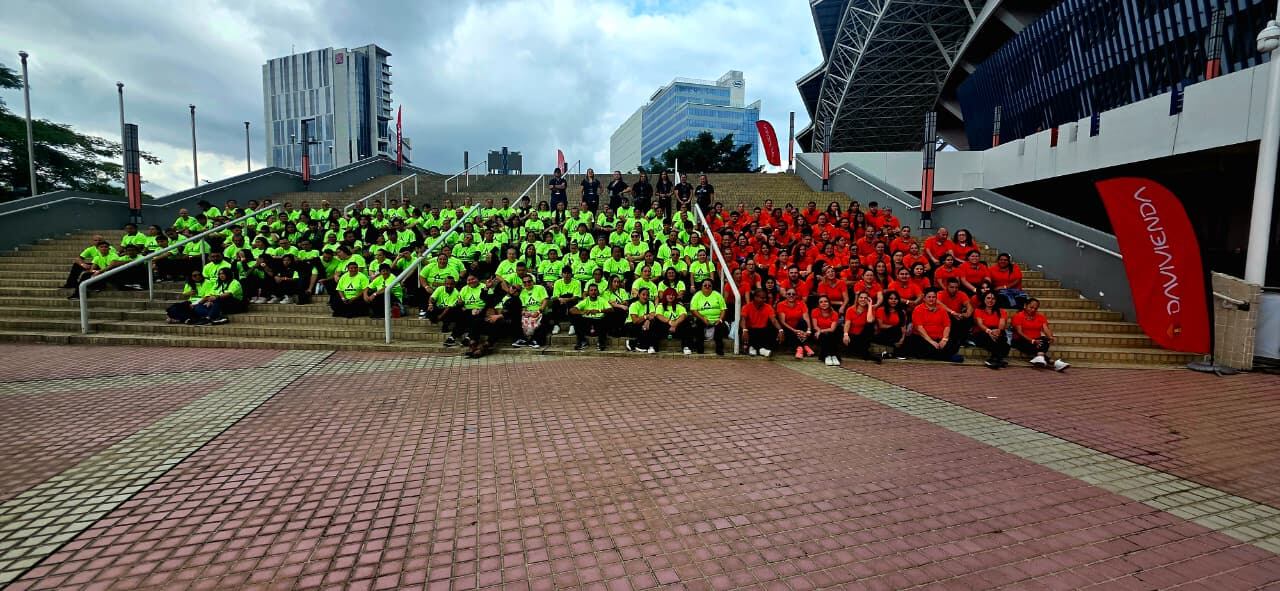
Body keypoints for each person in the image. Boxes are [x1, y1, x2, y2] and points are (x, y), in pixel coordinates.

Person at [1011, 298, 1070, 371]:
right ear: (1025, 306)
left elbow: (1046, 329)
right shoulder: (1018, 316)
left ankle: (1040, 357)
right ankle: (1053, 363)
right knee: (1035, 345)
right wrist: (1032, 341)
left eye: (1035, 308)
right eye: (1031, 307)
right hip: (1020, 340)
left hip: (1036, 340)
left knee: (1045, 340)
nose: (1033, 310)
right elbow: (1019, 332)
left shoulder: (1040, 317)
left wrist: (1050, 337)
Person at [907, 288, 964, 362]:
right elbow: (919, 328)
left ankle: (941, 355)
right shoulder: (918, 309)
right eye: (929, 297)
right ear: (924, 298)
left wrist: (944, 340)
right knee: (927, 347)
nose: (931, 299)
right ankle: (948, 357)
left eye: (933, 297)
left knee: (952, 343)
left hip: (939, 338)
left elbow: (947, 326)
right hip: (924, 338)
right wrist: (931, 341)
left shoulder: (942, 309)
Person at [688, 279, 729, 355]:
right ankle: (699, 349)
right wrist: (702, 318)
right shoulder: (697, 295)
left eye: (709, 285)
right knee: (698, 326)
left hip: (716, 319)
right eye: (705, 285)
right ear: (701, 287)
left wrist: (720, 319)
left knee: (720, 327)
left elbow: (723, 309)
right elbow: (693, 310)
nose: (707, 286)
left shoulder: (717, 295)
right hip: (702, 319)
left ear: (712, 287)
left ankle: (719, 349)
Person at [972, 291, 1012, 369]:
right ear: (984, 299)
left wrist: (998, 331)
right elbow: (980, 324)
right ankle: (998, 358)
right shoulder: (978, 310)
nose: (990, 300)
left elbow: (1002, 324)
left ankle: (993, 360)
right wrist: (989, 331)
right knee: (989, 339)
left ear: (996, 300)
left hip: (997, 331)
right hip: (982, 332)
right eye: (988, 298)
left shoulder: (1001, 311)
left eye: (993, 298)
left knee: (1002, 338)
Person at [740, 288, 782, 357]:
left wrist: (780, 330)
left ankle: (754, 348)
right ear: (755, 297)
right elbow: (743, 320)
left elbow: (774, 320)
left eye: (765, 298)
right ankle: (761, 350)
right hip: (750, 330)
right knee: (743, 330)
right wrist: (744, 330)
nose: (764, 300)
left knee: (773, 330)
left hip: (762, 331)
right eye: (762, 298)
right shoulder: (746, 307)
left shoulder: (768, 307)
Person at [570, 283, 610, 351]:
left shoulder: (602, 300)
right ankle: (582, 341)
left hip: (599, 321)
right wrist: (582, 312)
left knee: (606, 318)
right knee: (576, 318)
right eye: (591, 290)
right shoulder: (586, 300)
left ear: (597, 292)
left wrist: (598, 311)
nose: (593, 292)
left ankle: (601, 342)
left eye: (595, 290)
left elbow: (610, 309)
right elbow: (572, 310)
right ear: (588, 292)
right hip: (587, 322)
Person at [514, 274, 551, 349]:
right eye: (524, 282)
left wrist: (538, 311)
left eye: (529, 281)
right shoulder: (523, 292)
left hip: (541, 311)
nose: (527, 283)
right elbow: (524, 307)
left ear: (533, 281)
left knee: (542, 322)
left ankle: (536, 341)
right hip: (529, 312)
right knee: (518, 319)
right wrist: (524, 312)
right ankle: (522, 340)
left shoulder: (540, 288)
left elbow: (545, 301)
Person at [775, 287, 813, 360]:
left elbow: (806, 318)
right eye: (789, 294)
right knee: (790, 331)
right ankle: (802, 347)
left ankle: (800, 348)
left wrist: (808, 330)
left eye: (793, 294)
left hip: (799, 328)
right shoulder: (781, 304)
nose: (791, 295)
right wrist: (794, 330)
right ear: (786, 295)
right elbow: (782, 322)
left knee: (803, 321)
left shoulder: (801, 303)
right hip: (788, 328)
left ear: (796, 296)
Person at [842, 291, 879, 363]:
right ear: (857, 299)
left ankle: (865, 353)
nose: (863, 299)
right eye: (861, 297)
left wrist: (870, 305)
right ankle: (862, 353)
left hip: (864, 337)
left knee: (869, 326)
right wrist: (846, 334)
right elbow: (847, 323)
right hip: (852, 336)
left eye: (865, 298)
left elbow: (869, 320)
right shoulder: (850, 309)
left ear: (868, 299)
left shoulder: (871, 309)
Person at [873, 291, 908, 359]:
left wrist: (902, 339)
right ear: (887, 300)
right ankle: (890, 352)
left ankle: (891, 352)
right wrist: (894, 327)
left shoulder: (902, 312)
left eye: (895, 299)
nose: (893, 301)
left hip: (897, 335)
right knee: (894, 330)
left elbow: (903, 327)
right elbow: (881, 326)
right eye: (891, 299)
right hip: (883, 334)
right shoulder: (881, 310)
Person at [809, 295, 842, 366]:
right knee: (825, 336)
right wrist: (819, 331)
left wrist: (821, 331)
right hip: (818, 333)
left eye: (826, 301)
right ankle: (828, 356)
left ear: (829, 303)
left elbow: (832, 329)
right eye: (821, 302)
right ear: (818, 304)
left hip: (830, 333)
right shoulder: (814, 311)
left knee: (831, 334)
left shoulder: (834, 313)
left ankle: (832, 356)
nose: (823, 303)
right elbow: (815, 326)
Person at [654, 288, 690, 354]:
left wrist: (675, 324)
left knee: (686, 322)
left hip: (677, 329)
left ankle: (686, 347)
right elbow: (658, 315)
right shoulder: (660, 305)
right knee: (655, 322)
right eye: (669, 295)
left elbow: (683, 315)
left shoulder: (679, 305)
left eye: (673, 295)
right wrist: (670, 322)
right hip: (665, 328)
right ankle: (653, 346)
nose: (671, 296)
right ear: (665, 296)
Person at [627, 287, 661, 354]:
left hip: (645, 323)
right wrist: (646, 317)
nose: (645, 297)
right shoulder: (634, 305)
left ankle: (650, 346)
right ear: (639, 295)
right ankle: (641, 345)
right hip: (631, 325)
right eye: (643, 294)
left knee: (654, 324)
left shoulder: (650, 303)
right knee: (645, 328)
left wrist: (648, 320)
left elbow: (652, 315)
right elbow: (635, 320)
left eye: (647, 295)